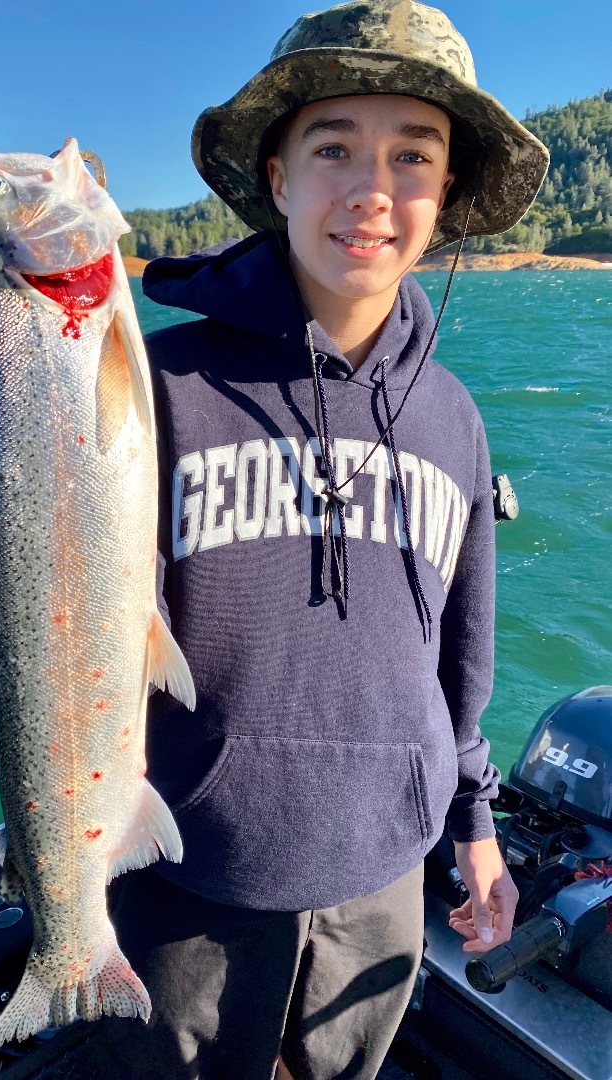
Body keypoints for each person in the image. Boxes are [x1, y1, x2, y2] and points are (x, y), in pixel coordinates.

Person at [87, 2, 549, 1078]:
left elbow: (459, 662)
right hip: (186, 882)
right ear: (279, 176)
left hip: (385, 882)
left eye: (413, 155)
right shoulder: (157, 389)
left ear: (448, 194)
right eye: (334, 147)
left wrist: (474, 825)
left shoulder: (455, 419)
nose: (372, 190)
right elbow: (74, 639)